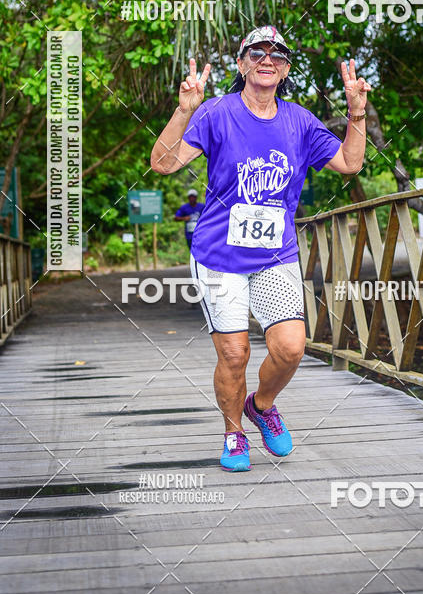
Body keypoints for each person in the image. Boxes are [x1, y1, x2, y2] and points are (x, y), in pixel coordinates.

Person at [150, 25, 371, 472]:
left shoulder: (300, 121)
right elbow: (163, 162)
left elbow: (349, 163)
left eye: (277, 54)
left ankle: (262, 404)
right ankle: (234, 433)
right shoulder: (217, 112)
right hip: (218, 256)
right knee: (234, 353)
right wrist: (183, 110)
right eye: (257, 52)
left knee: (291, 347)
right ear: (241, 63)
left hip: (275, 255)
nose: (267, 59)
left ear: (286, 69)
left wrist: (357, 115)